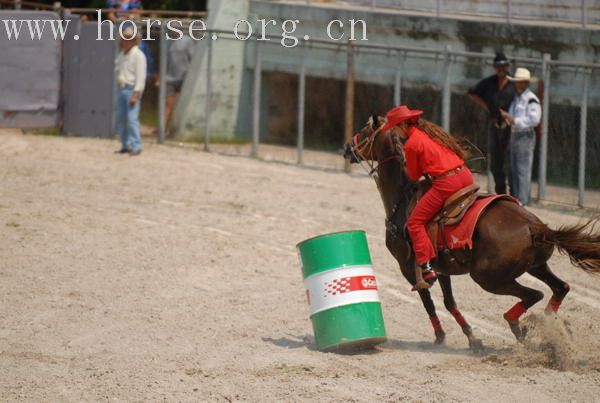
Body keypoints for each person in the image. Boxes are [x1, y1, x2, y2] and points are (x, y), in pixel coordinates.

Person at [380, 105, 473, 286]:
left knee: (414, 222)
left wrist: (407, 162)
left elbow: (414, 176)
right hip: (465, 176)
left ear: (401, 126)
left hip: (447, 183)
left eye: (394, 128)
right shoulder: (431, 134)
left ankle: (426, 266)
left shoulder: (412, 144)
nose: (395, 132)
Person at [468, 53, 516, 195]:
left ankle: (515, 193)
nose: (501, 69)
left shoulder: (514, 84)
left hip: (510, 126)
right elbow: (472, 92)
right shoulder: (489, 82)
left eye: (504, 66)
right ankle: (501, 192)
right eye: (498, 66)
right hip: (495, 125)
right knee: (496, 162)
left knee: (511, 161)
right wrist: (487, 107)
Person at [500, 68, 541, 206]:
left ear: (525, 83)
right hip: (515, 134)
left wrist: (513, 120)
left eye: (519, 82)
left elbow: (534, 120)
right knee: (514, 169)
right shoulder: (517, 98)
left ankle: (523, 200)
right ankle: (518, 198)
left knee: (522, 169)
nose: (517, 85)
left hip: (525, 135)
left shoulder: (531, 99)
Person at [115, 27, 147, 156]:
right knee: (122, 118)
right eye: (125, 39)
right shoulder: (122, 55)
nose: (126, 42)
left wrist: (136, 93)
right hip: (122, 88)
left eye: (129, 39)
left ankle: (136, 145)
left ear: (134, 41)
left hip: (131, 89)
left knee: (132, 119)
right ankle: (125, 144)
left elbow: (141, 76)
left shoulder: (138, 56)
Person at [161, 35, 194, 135]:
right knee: (168, 104)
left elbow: (193, 57)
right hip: (169, 78)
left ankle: (174, 129)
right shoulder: (167, 41)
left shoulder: (187, 41)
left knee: (179, 105)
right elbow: (164, 60)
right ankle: (162, 129)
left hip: (183, 78)